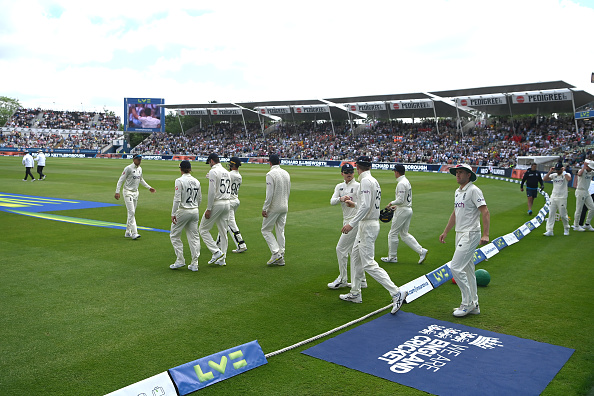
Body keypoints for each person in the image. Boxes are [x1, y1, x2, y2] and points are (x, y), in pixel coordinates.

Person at [339, 156, 407, 315]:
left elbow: (365, 206)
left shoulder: (365, 181)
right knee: (355, 258)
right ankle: (355, 293)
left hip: (367, 225)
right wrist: (354, 204)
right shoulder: (373, 180)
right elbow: (366, 205)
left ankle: (396, 292)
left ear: (357, 167)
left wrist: (351, 224)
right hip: (368, 223)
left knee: (368, 263)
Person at [439, 164, 490, 317]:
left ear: (469, 175)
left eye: (461, 173)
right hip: (459, 233)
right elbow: (455, 213)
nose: (458, 175)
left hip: (470, 233)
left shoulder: (474, 190)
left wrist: (486, 234)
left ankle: (467, 304)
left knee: (455, 267)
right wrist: (446, 231)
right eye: (457, 173)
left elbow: (485, 211)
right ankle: (474, 304)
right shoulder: (458, 191)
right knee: (468, 270)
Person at [328, 163, 367, 289]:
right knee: (352, 251)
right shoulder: (339, 186)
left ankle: (343, 279)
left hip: (354, 221)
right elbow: (332, 201)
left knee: (340, 249)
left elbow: (363, 206)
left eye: (351, 171)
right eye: (346, 172)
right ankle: (362, 280)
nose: (349, 174)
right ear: (342, 174)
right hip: (346, 220)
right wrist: (341, 198)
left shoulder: (359, 186)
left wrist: (352, 203)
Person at [381, 164, 428, 264]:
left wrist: (391, 203)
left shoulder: (401, 183)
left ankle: (392, 257)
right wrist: (396, 206)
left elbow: (400, 199)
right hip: (407, 209)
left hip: (403, 210)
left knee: (393, 233)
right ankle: (421, 251)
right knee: (404, 234)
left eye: (394, 171)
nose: (394, 173)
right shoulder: (406, 181)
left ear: (397, 172)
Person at [199, 153, 231, 266]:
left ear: (212, 161)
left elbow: (212, 192)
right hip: (227, 203)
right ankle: (222, 259)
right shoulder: (227, 171)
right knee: (223, 232)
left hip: (217, 203)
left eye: (209, 163)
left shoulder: (213, 171)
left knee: (203, 229)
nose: (209, 165)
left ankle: (216, 251)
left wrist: (209, 208)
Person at [114, 154, 156, 240]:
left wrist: (149, 187)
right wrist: (117, 192)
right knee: (132, 212)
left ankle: (127, 232)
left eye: (140, 159)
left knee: (131, 213)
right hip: (127, 192)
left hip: (136, 193)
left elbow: (141, 179)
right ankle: (134, 233)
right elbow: (120, 180)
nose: (139, 161)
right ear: (133, 159)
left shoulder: (140, 169)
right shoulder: (128, 168)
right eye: (138, 159)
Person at [169, 160, 202, 271]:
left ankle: (180, 260)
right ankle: (194, 264)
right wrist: (195, 207)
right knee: (194, 237)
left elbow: (177, 199)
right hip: (195, 210)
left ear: (181, 169)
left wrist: (173, 213)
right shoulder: (197, 181)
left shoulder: (179, 180)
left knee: (174, 235)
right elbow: (200, 198)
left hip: (183, 210)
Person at [262, 154, 291, 266]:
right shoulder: (286, 173)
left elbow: (269, 194)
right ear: (279, 162)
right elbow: (288, 191)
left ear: (270, 163)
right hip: (284, 206)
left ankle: (276, 253)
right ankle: (281, 256)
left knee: (265, 230)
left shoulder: (270, 174)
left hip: (274, 207)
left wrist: (265, 208)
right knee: (280, 230)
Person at [220, 156, 248, 253]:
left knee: (231, 223)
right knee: (225, 222)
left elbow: (222, 183)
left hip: (230, 201)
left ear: (232, 164)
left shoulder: (229, 174)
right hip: (235, 200)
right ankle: (219, 243)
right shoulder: (239, 176)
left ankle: (241, 244)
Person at [543, 163, 571, 236]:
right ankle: (549, 230)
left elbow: (569, 179)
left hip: (562, 197)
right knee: (551, 214)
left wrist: (564, 172)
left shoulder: (565, 175)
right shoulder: (554, 175)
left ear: (561, 169)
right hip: (553, 197)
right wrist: (550, 171)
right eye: (556, 169)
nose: (557, 171)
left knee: (563, 215)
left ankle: (566, 228)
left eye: (558, 169)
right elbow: (544, 179)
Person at [572, 159, 594, 231]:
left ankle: (587, 224)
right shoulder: (582, 171)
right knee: (579, 209)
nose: (591, 169)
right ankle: (576, 225)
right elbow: (579, 174)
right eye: (590, 168)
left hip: (586, 192)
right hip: (580, 191)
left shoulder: (591, 172)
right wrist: (584, 166)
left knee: (592, 208)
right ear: (587, 166)